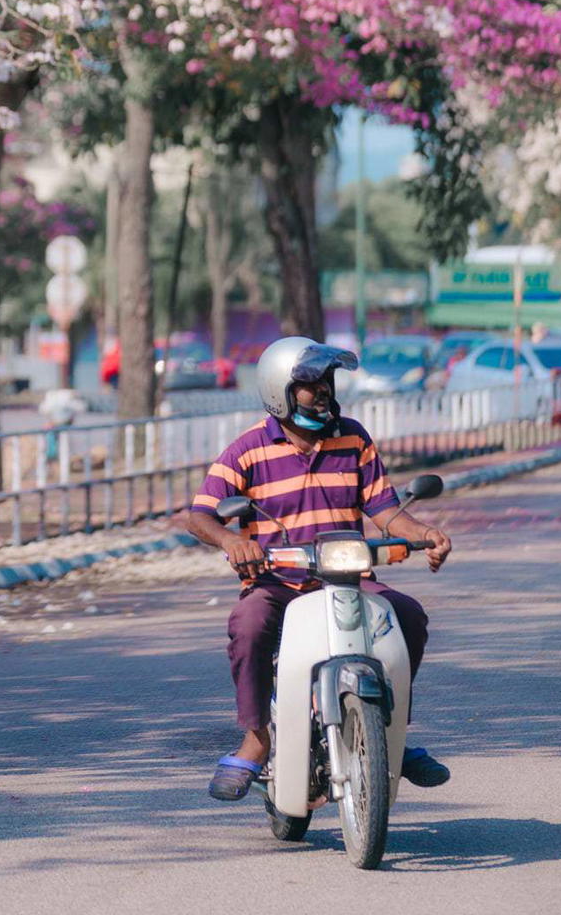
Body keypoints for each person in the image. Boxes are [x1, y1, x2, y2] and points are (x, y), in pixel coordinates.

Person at [187, 335, 453, 802]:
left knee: (407, 615)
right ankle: (256, 737)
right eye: (311, 383)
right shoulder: (248, 450)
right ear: (280, 390)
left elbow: (385, 508)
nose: (324, 391)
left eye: (327, 380)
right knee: (247, 627)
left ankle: (390, 730)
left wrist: (423, 533)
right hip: (278, 581)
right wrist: (232, 540)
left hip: (347, 577)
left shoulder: (354, 438)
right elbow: (199, 514)